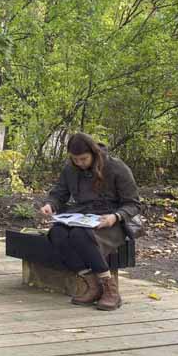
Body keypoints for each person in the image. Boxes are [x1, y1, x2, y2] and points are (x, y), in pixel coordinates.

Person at [40, 133, 141, 310]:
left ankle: (111, 290)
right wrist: (51, 205)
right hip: (81, 216)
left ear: (94, 153)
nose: (80, 163)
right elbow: (59, 194)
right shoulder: (70, 168)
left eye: (83, 159)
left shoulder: (116, 167)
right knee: (57, 233)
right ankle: (92, 285)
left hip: (112, 221)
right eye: (75, 159)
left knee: (80, 235)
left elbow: (133, 204)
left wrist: (114, 217)